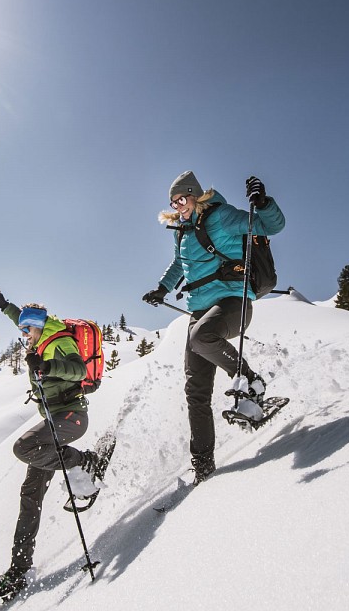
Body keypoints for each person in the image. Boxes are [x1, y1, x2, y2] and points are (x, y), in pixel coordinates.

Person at [142, 171, 285, 485]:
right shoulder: (181, 231)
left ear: (196, 195)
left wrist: (263, 203)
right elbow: (179, 265)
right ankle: (203, 467)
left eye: (183, 198)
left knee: (201, 336)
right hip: (200, 309)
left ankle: (250, 382)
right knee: (196, 393)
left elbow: (271, 225)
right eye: (173, 201)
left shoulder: (221, 216)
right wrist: (161, 288)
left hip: (233, 301)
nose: (179, 205)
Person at [0, 290, 104, 603]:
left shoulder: (58, 340)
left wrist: (47, 368)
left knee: (24, 447)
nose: (23, 335)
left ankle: (85, 461)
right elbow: (23, 318)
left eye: (26, 330)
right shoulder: (38, 335)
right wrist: (5, 307)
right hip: (54, 423)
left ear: (37, 327)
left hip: (71, 416)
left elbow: (77, 369)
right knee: (29, 495)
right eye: (21, 330)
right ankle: (19, 570)